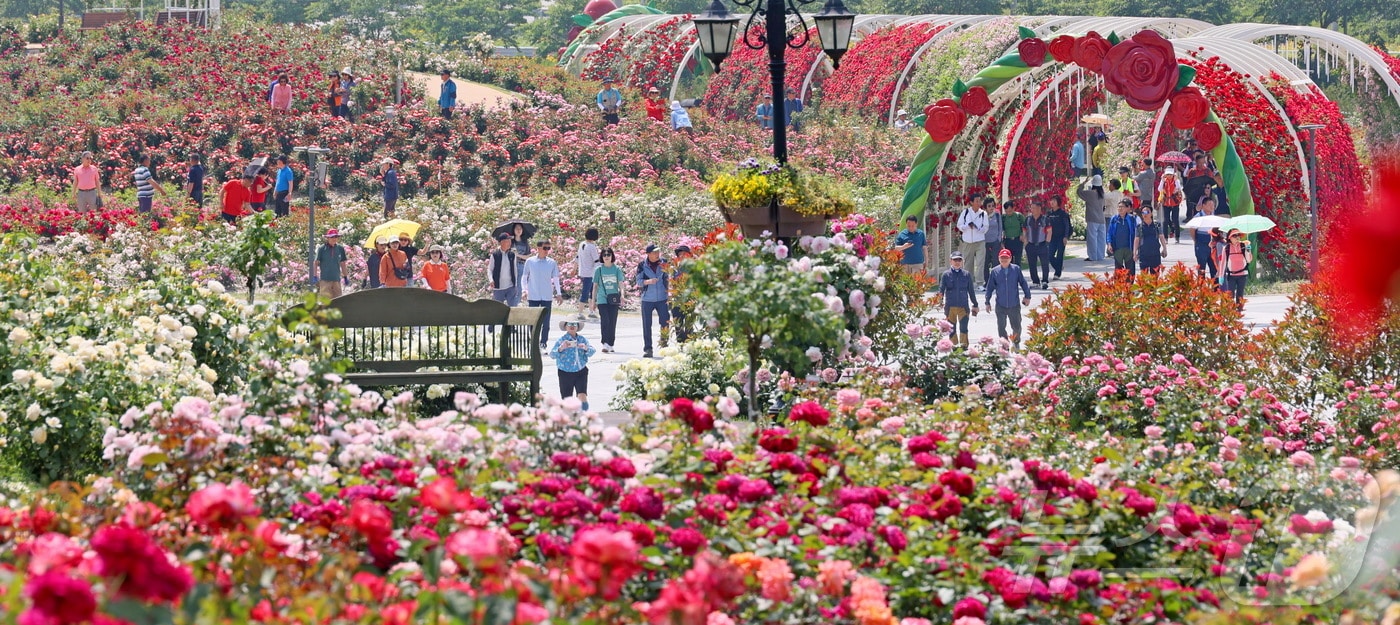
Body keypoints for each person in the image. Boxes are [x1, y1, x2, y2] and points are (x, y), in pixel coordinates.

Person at [985, 248, 1032, 350]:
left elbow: (1023, 283)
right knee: (1001, 327)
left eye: (1006, 258)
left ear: (1010, 258)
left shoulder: (1016, 269)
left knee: (1016, 326)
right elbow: (989, 288)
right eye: (1002, 258)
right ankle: (1004, 344)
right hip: (1000, 304)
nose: (1004, 260)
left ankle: (1016, 342)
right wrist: (987, 302)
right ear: (999, 258)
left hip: (1014, 304)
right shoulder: (994, 271)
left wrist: (1027, 296)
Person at [522, 240, 563, 348]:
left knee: (546, 322)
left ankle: (543, 343)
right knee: (533, 321)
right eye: (545, 248)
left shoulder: (552, 262)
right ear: (538, 248)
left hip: (547, 295)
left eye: (548, 248)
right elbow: (524, 277)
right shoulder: (530, 261)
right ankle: (534, 342)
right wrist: (524, 290)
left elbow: (556, 278)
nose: (546, 251)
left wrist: (559, 293)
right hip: (533, 295)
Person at [550, 319, 597, 411]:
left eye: (574, 324)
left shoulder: (582, 339)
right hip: (565, 372)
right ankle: (568, 418)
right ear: (565, 327)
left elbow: (592, 351)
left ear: (578, 327)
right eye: (569, 324)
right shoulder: (562, 340)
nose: (572, 326)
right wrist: (561, 348)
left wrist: (585, 348)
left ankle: (585, 414)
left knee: (582, 394)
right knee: (567, 399)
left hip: (581, 371)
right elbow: (552, 354)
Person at [637, 244, 671, 359]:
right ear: (648, 254)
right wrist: (648, 281)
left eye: (658, 252)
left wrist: (669, 293)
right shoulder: (642, 265)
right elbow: (639, 281)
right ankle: (648, 349)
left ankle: (664, 346)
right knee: (647, 325)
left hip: (662, 298)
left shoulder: (664, 262)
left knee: (665, 322)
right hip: (647, 299)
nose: (657, 254)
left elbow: (668, 278)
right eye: (654, 252)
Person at [938, 250, 977, 348]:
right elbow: (941, 289)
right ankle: (954, 349)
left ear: (962, 261)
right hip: (950, 307)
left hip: (963, 306)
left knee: (964, 328)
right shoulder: (946, 275)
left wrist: (975, 304)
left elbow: (971, 291)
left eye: (959, 260)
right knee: (952, 329)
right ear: (950, 261)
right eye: (955, 260)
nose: (957, 262)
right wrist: (939, 301)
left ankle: (964, 348)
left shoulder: (966, 274)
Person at [593, 248, 625, 353]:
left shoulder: (617, 269)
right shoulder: (599, 270)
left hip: (614, 298)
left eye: (608, 254)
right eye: (604, 255)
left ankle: (611, 343)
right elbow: (595, 287)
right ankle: (605, 343)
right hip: (602, 299)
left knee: (612, 321)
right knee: (605, 320)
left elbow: (621, 283)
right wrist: (593, 301)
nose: (606, 256)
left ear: (612, 256)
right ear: (602, 257)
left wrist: (623, 295)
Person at [957, 201, 989, 287]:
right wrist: (967, 226)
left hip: (980, 241)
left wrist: (978, 228)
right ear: (971, 202)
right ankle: (968, 283)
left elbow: (986, 227)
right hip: (968, 241)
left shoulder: (983, 213)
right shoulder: (966, 212)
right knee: (968, 263)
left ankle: (980, 283)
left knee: (980, 263)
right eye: (976, 201)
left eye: (979, 200)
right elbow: (959, 225)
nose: (979, 203)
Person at [1220, 229, 1252, 310]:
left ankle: (1239, 310)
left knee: (1240, 294)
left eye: (1238, 235)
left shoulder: (1243, 246)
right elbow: (1223, 263)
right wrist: (1221, 276)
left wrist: (1248, 249)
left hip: (1243, 274)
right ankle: (1231, 311)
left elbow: (1249, 260)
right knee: (1230, 295)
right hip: (1231, 275)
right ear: (1230, 238)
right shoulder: (1226, 248)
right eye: (1234, 236)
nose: (1237, 237)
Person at [313, 228, 349, 299]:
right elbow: (316, 262)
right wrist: (315, 276)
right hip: (325, 280)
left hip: (336, 280)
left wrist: (345, 277)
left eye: (336, 236)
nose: (334, 238)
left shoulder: (340, 248)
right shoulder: (322, 249)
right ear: (328, 238)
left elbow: (343, 264)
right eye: (332, 237)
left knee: (338, 302)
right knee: (325, 304)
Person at [1106, 199, 1138, 278]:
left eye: (1122, 207)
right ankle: (1119, 288)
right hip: (1118, 248)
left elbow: (1136, 234)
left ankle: (1129, 288)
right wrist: (1109, 244)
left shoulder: (1132, 219)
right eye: (1119, 207)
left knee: (1130, 270)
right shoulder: (1114, 219)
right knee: (1118, 270)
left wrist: (1136, 249)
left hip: (1129, 248)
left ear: (1127, 208)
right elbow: (1109, 232)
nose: (1120, 209)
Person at [1023, 200, 1051, 289]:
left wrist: (1047, 243)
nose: (1032, 210)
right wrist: (1026, 243)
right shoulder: (1028, 219)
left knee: (1044, 264)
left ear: (1039, 209)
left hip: (1042, 244)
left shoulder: (1045, 219)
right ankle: (1035, 281)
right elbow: (1024, 231)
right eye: (1031, 208)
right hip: (1031, 245)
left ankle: (1045, 281)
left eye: (1034, 208)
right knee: (1032, 264)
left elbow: (1049, 231)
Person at [1079, 176, 1107, 262]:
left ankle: (1092, 256)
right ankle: (1100, 256)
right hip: (1101, 219)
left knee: (1092, 238)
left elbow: (1079, 192)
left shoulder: (1090, 193)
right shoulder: (1102, 194)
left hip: (1092, 218)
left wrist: (1083, 183)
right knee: (1101, 239)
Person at [671, 245, 695, 343]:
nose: (681, 256)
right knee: (678, 325)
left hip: (690, 300)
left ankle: (689, 347)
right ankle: (681, 345)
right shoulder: (675, 268)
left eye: (683, 254)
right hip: (677, 300)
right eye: (679, 254)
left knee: (689, 326)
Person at [488, 232, 521, 305]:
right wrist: (491, 280)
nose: (510, 243)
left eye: (510, 241)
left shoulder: (512, 254)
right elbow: (490, 269)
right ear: (502, 242)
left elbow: (515, 270)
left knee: (512, 309)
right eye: (507, 241)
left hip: (510, 287)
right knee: (498, 309)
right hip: (498, 287)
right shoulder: (495, 255)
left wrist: (515, 285)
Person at [576, 228, 601, 320]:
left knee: (591, 292)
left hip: (583, 271)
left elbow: (577, 257)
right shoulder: (591, 247)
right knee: (587, 292)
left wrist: (574, 268)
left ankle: (591, 311)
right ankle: (580, 312)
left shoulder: (581, 244)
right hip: (590, 272)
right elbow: (596, 260)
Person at [1046, 196, 1072, 280]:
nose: (1052, 202)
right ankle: (1059, 267)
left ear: (1058, 202)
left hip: (1061, 237)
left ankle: (1057, 273)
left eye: (1054, 201)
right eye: (1051, 200)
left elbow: (1067, 226)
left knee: (1059, 255)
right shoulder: (1049, 214)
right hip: (1052, 237)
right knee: (1049, 255)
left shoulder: (1063, 214)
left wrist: (1065, 237)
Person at [1188, 204, 1217, 279]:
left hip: (1212, 244)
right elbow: (1192, 229)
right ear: (1204, 205)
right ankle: (1202, 287)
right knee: (1202, 268)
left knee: (1214, 267)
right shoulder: (1198, 216)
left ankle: (1215, 288)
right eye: (1209, 204)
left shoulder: (1214, 216)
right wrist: (1196, 240)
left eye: (1212, 204)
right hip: (1201, 244)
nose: (1211, 206)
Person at [1135, 208, 1167, 275]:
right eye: (1143, 212)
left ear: (1151, 214)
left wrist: (1164, 249)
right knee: (1144, 277)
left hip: (1155, 254)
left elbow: (1161, 236)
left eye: (1147, 212)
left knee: (1155, 277)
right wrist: (1134, 253)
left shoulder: (1157, 225)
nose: (1145, 214)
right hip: (1143, 255)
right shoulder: (1139, 226)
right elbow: (1137, 239)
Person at [1158, 166, 1184, 243]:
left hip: (1174, 202)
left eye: (1170, 174)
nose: (1169, 176)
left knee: (1175, 220)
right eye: (1168, 174)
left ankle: (1177, 237)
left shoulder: (1176, 181)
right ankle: (1165, 237)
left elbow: (1179, 188)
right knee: (1165, 221)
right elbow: (1159, 189)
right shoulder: (1164, 181)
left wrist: (1176, 180)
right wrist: (1162, 181)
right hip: (1166, 203)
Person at [983, 196, 1004, 280]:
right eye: (989, 206)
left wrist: (999, 239)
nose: (991, 208)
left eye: (993, 206)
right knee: (986, 261)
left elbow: (1000, 227)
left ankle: (996, 279)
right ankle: (986, 281)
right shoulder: (982, 215)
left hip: (995, 241)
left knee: (996, 261)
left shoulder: (997, 214)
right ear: (985, 207)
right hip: (985, 242)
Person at [1001, 200, 1025, 267]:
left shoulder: (1019, 216)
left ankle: (1018, 275)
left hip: (1017, 240)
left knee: (1017, 260)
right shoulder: (1003, 217)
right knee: (1009, 260)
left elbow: (1025, 226)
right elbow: (1001, 229)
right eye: (1007, 211)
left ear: (1013, 208)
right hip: (1008, 241)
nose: (1008, 213)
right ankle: (1010, 276)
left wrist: (1022, 234)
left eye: (1010, 211)